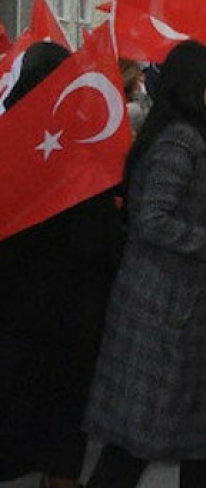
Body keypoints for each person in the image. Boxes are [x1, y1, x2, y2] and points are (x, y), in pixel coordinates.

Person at [83, 41, 206, 488]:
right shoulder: (177, 140)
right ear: (194, 86)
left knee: (201, 438)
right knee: (137, 440)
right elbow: (152, 220)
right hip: (163, 314)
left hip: (192, 311)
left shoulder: (195, 134)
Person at [0, 44, 122, 488]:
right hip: (74, 315)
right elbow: (102, 241)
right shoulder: (83, 152)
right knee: (64, 417)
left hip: (13, 312)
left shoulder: (7, 146)